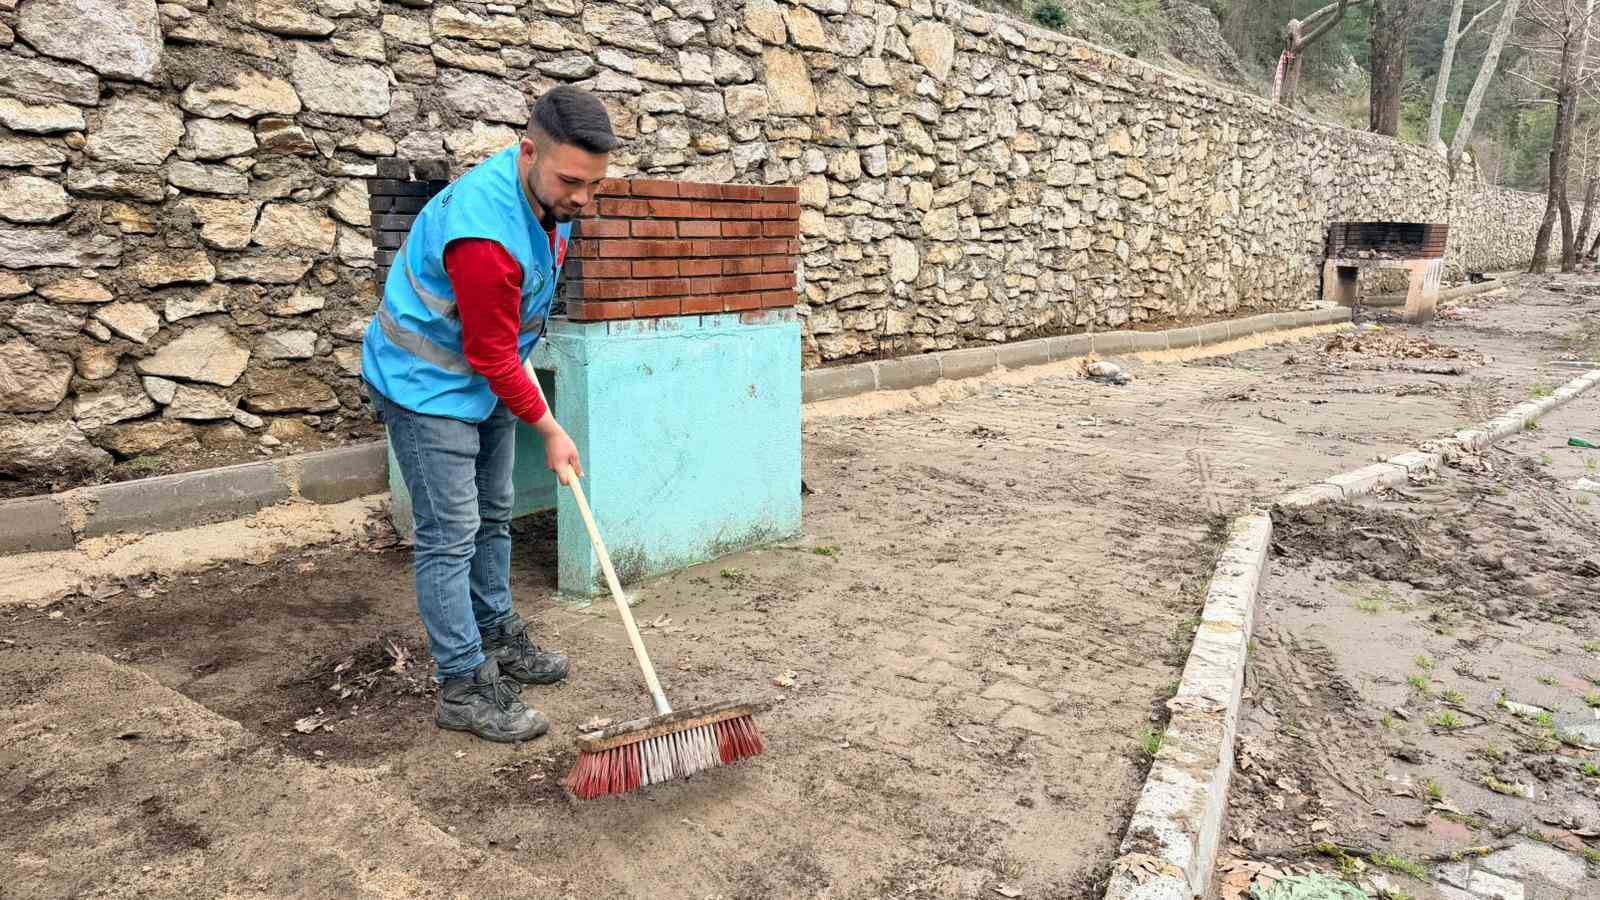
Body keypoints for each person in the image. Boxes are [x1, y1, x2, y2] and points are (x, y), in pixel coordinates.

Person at [361, 86, 618, 742]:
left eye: (593, 185)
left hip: (484, 381)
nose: (582, 200)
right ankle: (463, 685)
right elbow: (490, 352)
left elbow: (505, 340)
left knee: (493, 516)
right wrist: (552, 429)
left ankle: (498, 635)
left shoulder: (547, 196)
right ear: (528, 151)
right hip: (424, 386)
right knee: (450, 532)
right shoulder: (484, 233)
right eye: (571, 182)